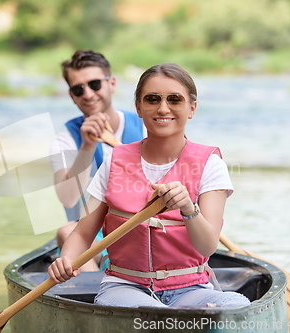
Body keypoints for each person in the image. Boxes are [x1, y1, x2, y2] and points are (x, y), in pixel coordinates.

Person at [47, 62, 251, 308]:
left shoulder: (211, 164)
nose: (163, 108)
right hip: (124, 287)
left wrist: (188, 207)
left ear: (192, 109)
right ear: (139, 108)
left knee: (236, 305)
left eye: (175, 100)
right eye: (152, 99)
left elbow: (207, 246)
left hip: (191, 289)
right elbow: (82, 232)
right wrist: (66, 260)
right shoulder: (115, 160)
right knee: (155, 315)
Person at [50, 50, 145, 271]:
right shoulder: (65, 141)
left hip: (142, 229)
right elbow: (68, 199)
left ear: (111, 83)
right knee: (66, 231)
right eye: (78, 89)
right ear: (72, 96)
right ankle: (101, 289)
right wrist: (88, 146)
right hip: (92, 237)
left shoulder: (145, 127)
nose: (88, 94)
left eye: (94, 84)